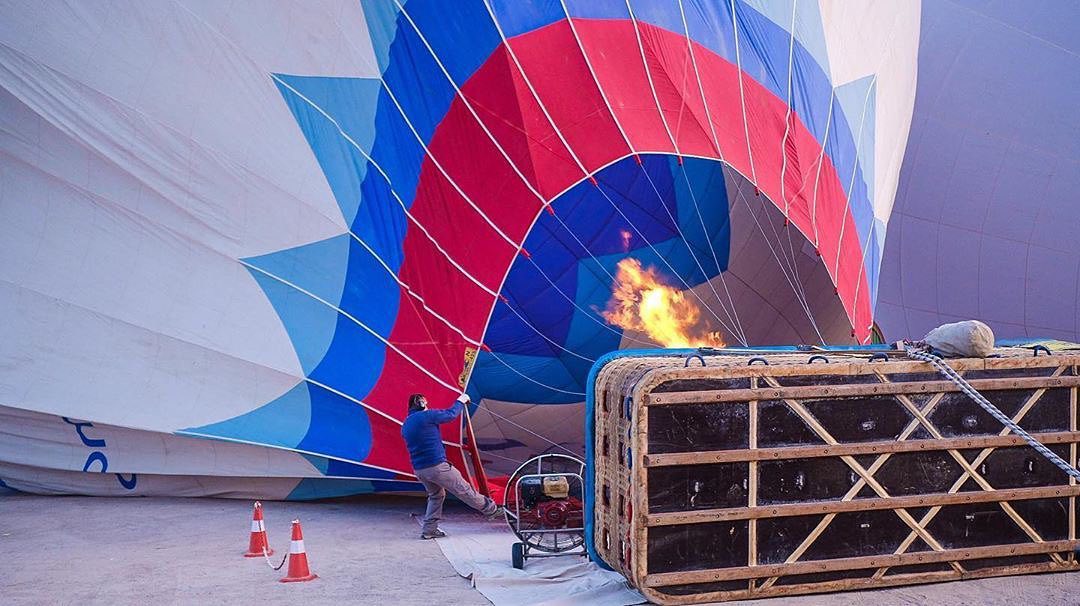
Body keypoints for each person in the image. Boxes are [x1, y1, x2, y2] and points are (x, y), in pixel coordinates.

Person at [401, 392, 501, 539]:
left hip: (420, 470)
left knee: (436, 495)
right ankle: (491, 510)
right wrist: (461, 400)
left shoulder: (406, 423)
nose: (428, 406)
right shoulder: (426, 416)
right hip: (437, 467)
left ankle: (429, 530)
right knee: (465, 490)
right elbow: (450, 414)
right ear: (421, 403)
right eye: (426, 403)